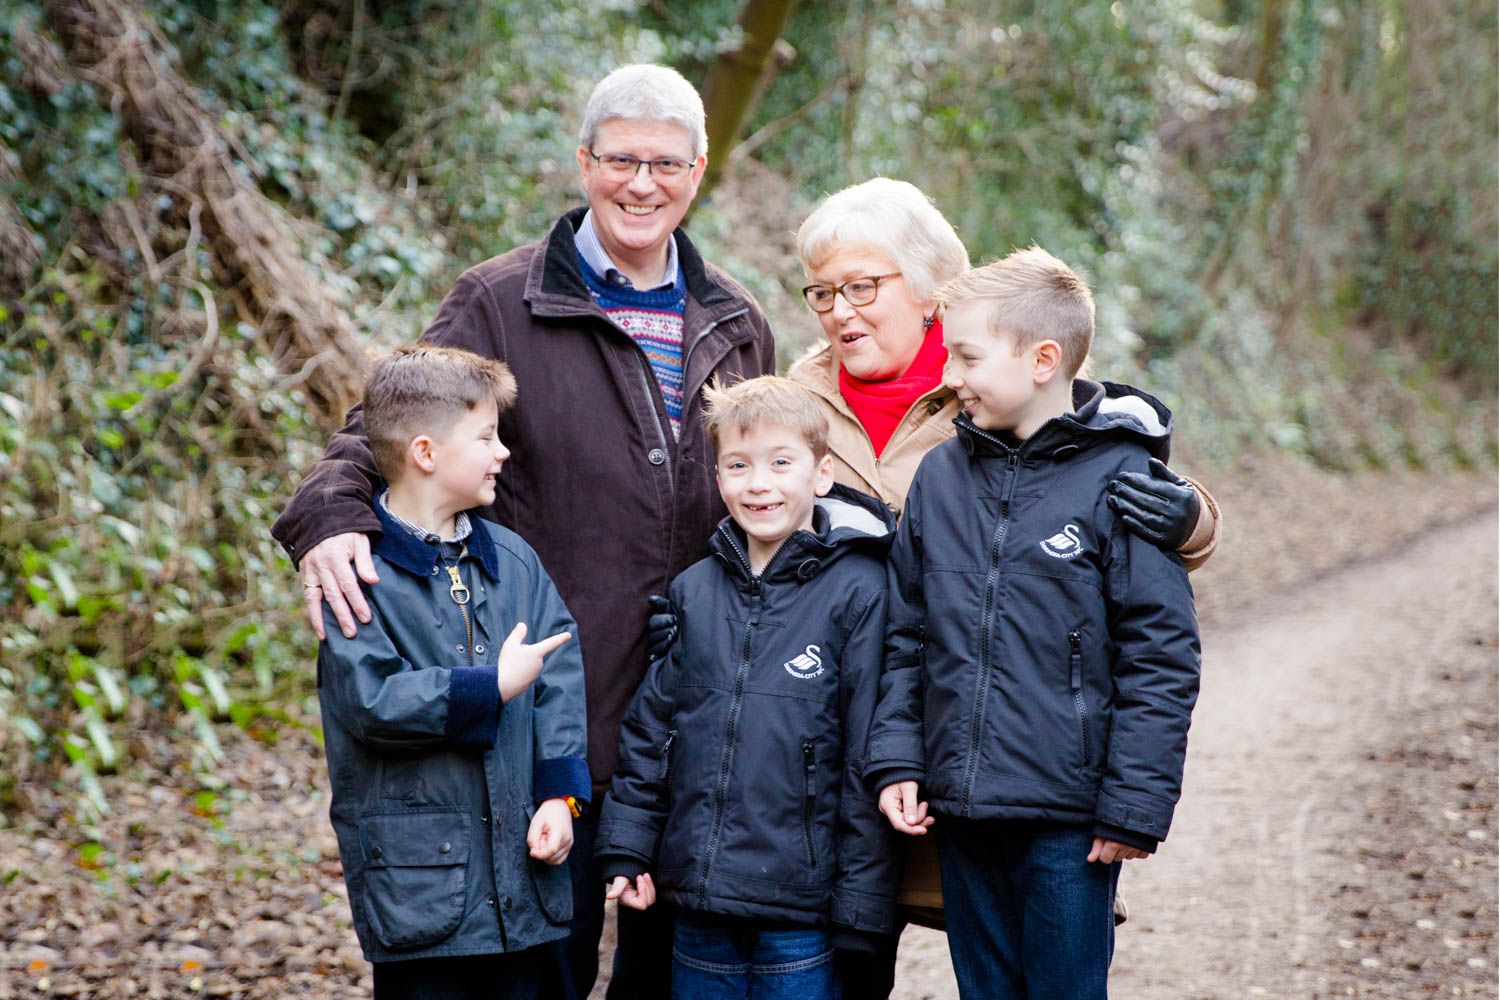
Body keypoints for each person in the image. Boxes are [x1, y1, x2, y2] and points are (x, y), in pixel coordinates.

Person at [271, 65, 776, 999]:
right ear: (584, 162)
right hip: (554, 704)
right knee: (549, 963)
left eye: (665, 163)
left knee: (680, 975)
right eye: (620, 158)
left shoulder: (736, 319)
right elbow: (387, 423)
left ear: (698, 172)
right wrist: (332, 519)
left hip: (700, 715)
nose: (641, 184)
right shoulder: (500, 300)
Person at [867, 247, 1202, 1000]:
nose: (950, 375)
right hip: (963, 808)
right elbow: (906, 635)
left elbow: (1162, 654)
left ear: (1044, 358)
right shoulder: (942, 479)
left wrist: (1134, 803)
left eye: (967, 356)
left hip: (1070, 820)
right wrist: (899, 760)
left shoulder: (1125, 480)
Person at [596, 376, 898, 1000]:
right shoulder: (693, 591)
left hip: (801, 912)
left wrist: (863, 903)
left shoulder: (861, 590)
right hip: (697, 899)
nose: (758, 483)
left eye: (780, 463)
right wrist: (628, 850)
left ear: (821, 475)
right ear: (718, 479)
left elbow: (868, 754)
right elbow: (652, 733)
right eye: (738, 465)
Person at [316, 346, 589, 999]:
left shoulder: (516, 561)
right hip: (421, 897)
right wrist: (488, 686)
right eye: (488, 437)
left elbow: (559, 679)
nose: (503, 453)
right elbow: (370, 700)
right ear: (426, 453)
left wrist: (561, 797)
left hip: (528, 894)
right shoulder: (356, 573)